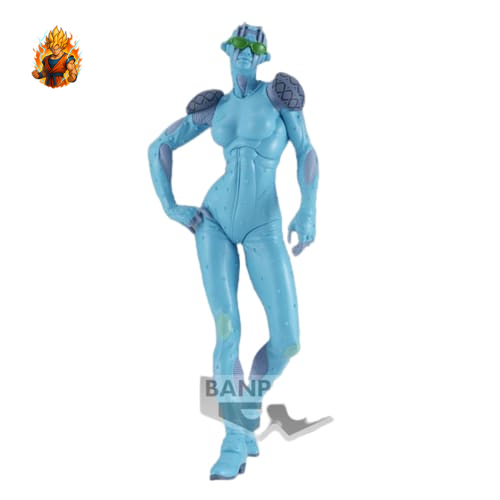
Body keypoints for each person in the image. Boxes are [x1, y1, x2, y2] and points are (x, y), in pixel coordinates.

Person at [148, 23, 319, 480]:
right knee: (228, 330)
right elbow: (159, 145)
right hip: (215, 222)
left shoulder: (279, 97)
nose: (245, 52)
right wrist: (171, 206)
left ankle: (247, 406)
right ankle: (232, 436)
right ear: (227, 51)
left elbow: (306, 151)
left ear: (263, 57)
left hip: (265, 223)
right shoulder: (216, 108)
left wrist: (308, 208)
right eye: (239, 44)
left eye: (253, 47)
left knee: (288, 340)